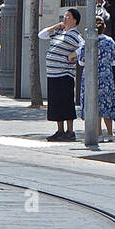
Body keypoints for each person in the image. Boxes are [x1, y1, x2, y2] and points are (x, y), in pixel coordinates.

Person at [38, 8, 85, 141]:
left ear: (75, 20)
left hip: (64, 74)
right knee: (55, 103)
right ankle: (60, 130)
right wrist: (56, 26)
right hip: (53, 73)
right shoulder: (59, 32)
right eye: (64, 16)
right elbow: (41, 35)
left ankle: (70, 131)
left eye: (68, 17)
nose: (65, 19)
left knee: (66, 102)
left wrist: (73, 54)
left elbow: (84, 46)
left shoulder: (75, 35)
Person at [81, 15, 115, 141]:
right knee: (107, 103)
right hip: (106, 76)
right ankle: (110, 132)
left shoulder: (87, 40)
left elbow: (81, 61)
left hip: (89, 76)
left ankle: (98, 133)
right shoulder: (110, 41)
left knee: (93, 103)